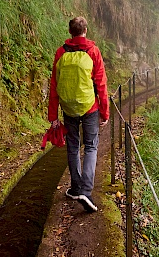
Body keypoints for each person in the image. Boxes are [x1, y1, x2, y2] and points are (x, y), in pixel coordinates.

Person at [48, 16, 109, 213]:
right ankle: (86, 191)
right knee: (91, 146)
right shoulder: (92, 51)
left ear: (70, 32)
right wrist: (105, 112)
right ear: (85, 31)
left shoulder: (61, 52)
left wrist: (53, 116)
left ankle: (75, 188)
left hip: (68, 108)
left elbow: (54, 86)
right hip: (90, 107)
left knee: (73, 146)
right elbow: (101, 84)